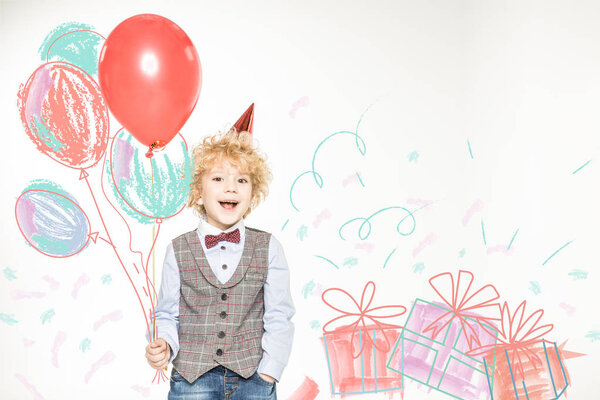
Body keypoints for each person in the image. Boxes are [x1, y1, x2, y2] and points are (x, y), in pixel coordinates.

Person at [145, 123, 295, 400]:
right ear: (198, 192)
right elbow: (167, 313)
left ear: (252, 194)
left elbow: (279, 315)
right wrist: (164, 344)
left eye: (242, 180)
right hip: (193, 382)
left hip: (254, 380)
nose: (231, 187)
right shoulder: (177, 249)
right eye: (218, 179)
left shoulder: (269, 247)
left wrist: (269, 372)